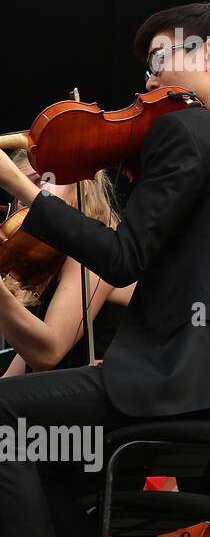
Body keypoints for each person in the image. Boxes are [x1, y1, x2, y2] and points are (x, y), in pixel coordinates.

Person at [0, 2, 210, 537]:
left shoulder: (189, 131)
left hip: (185, 382)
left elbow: (121, 257)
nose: (150, 81)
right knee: (55, 460)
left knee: (5, 413)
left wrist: (24, 188)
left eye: (161, 58)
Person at [0, 150, 128, 375]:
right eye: (17, 191)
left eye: (41, 181)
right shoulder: (50, 268)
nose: (23, 198)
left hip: (118, 394)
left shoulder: (100, 252)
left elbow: (49, 354)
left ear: (82, 188)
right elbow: (24, 364)